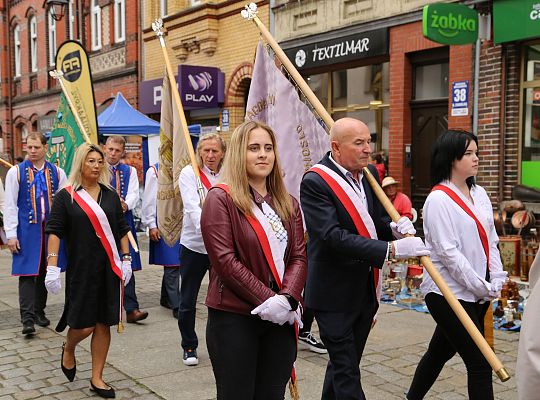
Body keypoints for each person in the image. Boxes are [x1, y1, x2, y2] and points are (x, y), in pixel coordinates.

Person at [300, 117, 429, 400]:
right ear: (336, 147)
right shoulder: (315, 181)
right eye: (358, 143)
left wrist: (396, 229)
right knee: (348, 376)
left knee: (343, 367)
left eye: (368, 141)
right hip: (332, 294)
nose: (367, 149)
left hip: (364, 291)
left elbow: (375, 221)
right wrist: (391, 251)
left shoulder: (368, 173)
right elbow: (331, 236)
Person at [200, 121, 307, 399]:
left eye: (268, 148)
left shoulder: (288, 202)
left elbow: (298, 256)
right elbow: (225, 262)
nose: (263, 155)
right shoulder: (220, 199)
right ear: (238, 153)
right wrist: (269, 299)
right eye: (254, 148)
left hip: (280, 317)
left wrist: (286, 300)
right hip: (235, 318)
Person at [406, 130, 507, 400]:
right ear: (451, 158)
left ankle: (411, 397)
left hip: (478, 291)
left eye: (477, 152)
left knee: (439, 351)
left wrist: (496, 277)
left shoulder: (480, 193)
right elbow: (449, 255)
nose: (476, 158)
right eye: (469, 153)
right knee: (481, 362)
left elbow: (491, 239)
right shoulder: (438, 200)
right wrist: (482, 285)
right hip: (448, 293)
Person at [45, 143, 131, 398]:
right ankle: (69, 347)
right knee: (83, 326)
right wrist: (52, 266)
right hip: (81, 270)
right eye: (90, 161)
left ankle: (97, 378)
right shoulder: (66, 196)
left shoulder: (110, 194)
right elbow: (54, 231)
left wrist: (126, 259)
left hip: (109, 268)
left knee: (104, 324)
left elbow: (121, 228)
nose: (96, 165)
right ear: (81, 163)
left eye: (99, 161)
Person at [4, 132, 67, 335]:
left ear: (45, 147)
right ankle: (27, 320)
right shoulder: (17, 172)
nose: (31, 151)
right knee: (26, 273)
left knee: (44, 271)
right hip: (26, 230)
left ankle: (39, 312)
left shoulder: (57, 172)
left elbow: (66, 203)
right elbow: (10, 204)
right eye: (29, 147)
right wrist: (11, 234)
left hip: (50, 231)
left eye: (36, 147)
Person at [177, 133, 225, 366]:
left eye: (215, 151)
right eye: (205, 150)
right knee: (188, 299)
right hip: (195, 246)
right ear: (199, 152)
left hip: (222, 249)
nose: (210, 155)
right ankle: (189, 345)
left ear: (222, 152)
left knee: (223, 299)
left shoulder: (227, 175)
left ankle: (221, 345)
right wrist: (211, 234)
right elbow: (192, 209)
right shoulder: (190, 174)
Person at [104, 136, 148, 323]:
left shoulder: (129, 170)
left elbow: (133, 194)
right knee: (105, 264)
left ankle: (131, 309)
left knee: (126, 261)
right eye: (110, 149)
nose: (113, 153)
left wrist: (124, 205)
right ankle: (107, 309)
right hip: (103, 221)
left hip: (123, 220)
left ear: (123, 152)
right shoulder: (97, 168)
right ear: (105, 148)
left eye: (117, 150)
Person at [141, 162, 180, 318]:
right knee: (171, 265)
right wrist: (151, 224)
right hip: (164, 221)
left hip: (182, 221)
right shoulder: (155, 171)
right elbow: (149, 199)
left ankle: (166, 298)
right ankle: (177, 304)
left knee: (176, 263)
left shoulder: (184, 166)